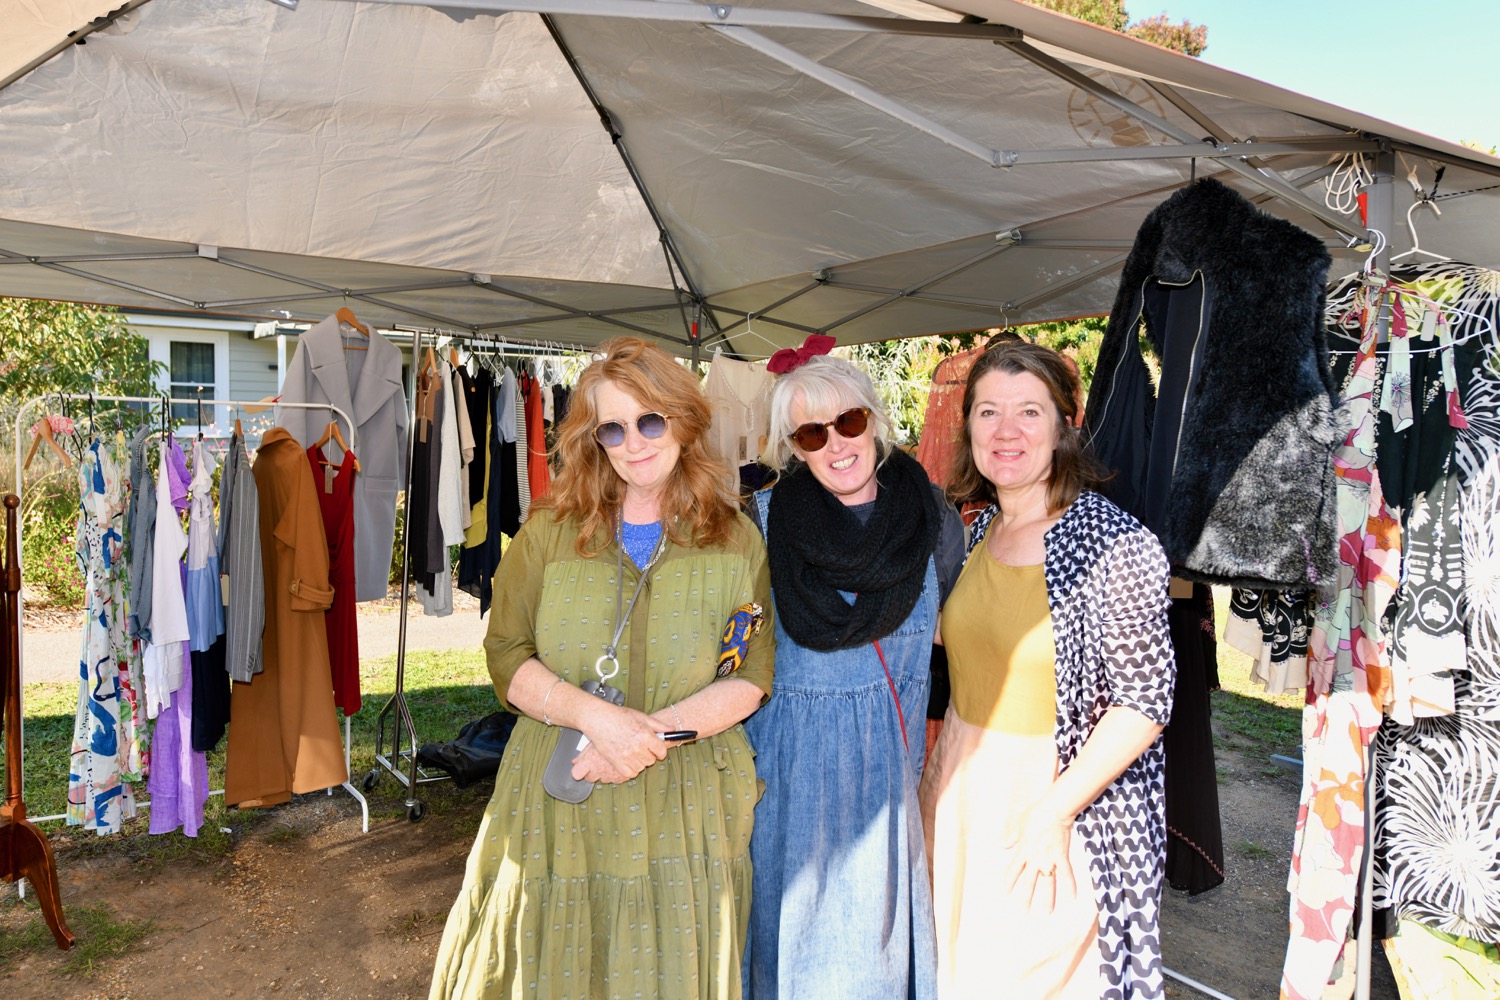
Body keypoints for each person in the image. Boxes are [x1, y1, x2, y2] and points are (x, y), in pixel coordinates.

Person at [429, 337, 776, 1000]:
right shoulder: (550, 531)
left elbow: (750, 673)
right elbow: (506, 655)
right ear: (593, 440)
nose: (634, 443)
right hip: (564, 794)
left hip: (687, 799)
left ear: (682, 420)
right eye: (612, 428)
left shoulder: (735, 537)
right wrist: (598, 720)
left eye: (649, 420)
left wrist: (648, 738)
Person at [919, 342, 1176, 999]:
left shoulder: (1112, 543)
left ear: (1065, 426)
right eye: (988, 412)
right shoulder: (977, 532)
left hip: (1051, 803)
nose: (1006, 431)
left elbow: (1145, 702)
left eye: (1028, 412)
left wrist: (1053, 814)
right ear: (968, 425)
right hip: (957, 794)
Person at [742, 348, 964, 1000]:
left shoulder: (937, 523)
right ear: (794, 446)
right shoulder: (760, 525)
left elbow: (962, 653)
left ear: (875, 419)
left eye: (849, 420)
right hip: (790, 785)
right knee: (790, 961)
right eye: (812, 433)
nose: (836, 443)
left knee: (872, 965)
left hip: (884, 789)